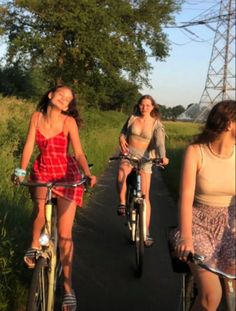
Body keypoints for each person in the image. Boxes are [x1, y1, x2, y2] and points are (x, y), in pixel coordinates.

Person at [12, 85, 96, 311]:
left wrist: (87, 174)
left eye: (68, 98)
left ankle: (68, 287)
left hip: (66, 173)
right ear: (50, 95)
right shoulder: (36, 117)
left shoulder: (68, 122)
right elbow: (30, 144)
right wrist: (21, 171)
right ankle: (33, 245)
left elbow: (77, 152)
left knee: (66, 234)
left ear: (69, 105)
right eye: (61, 94)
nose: (64, 98)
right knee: (40, 211)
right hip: (43, 170)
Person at [175, 100, 236, 310]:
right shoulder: (196, 152)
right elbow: (185, 197)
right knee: (212, 296)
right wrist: (186, 237)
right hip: (199, 223)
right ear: (229, 123)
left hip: (230, 222)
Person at [117, 94, 169, 246]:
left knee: (145, 196)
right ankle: (121, 203)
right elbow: (123, 131)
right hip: (129, 155)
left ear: (152, 107)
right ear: (139, 106)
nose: (144, 107)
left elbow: (160, 143)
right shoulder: (132, 118)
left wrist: (162, 157)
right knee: (121, 174)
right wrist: (121, 138)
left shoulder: (156, 124)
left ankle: (146, 231)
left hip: (145, 159)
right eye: (142, 104)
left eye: (148, 105)